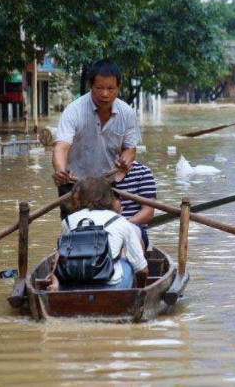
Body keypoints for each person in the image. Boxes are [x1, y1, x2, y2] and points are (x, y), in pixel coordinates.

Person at [52, 59, 141, 218]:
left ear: (118, 88)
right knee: (74, 230)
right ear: (91, 86)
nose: (105, 94)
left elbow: (130, 148)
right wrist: (60, 169)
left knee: (107, 230)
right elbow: (61, 147)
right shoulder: (74, 111)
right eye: (99, 88)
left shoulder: (126, 113)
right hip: (74, 183)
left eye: (110, 88)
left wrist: (126, 160)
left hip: (107, 184)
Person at [48, 177, 148, 292]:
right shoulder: (121, 221)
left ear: (79, 198)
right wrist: (141, 289)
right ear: (109, 198)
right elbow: (142, 270)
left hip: (71, 284)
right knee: (128, 261)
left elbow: (61, 256)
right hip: (112, 286)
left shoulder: (68, 221)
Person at [112, 161, 157, 248]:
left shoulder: (142, 171)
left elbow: (148, 212)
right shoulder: (94, 172)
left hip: (132, 227)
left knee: (132, 234)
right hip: (101, 228)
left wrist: (123, 227)